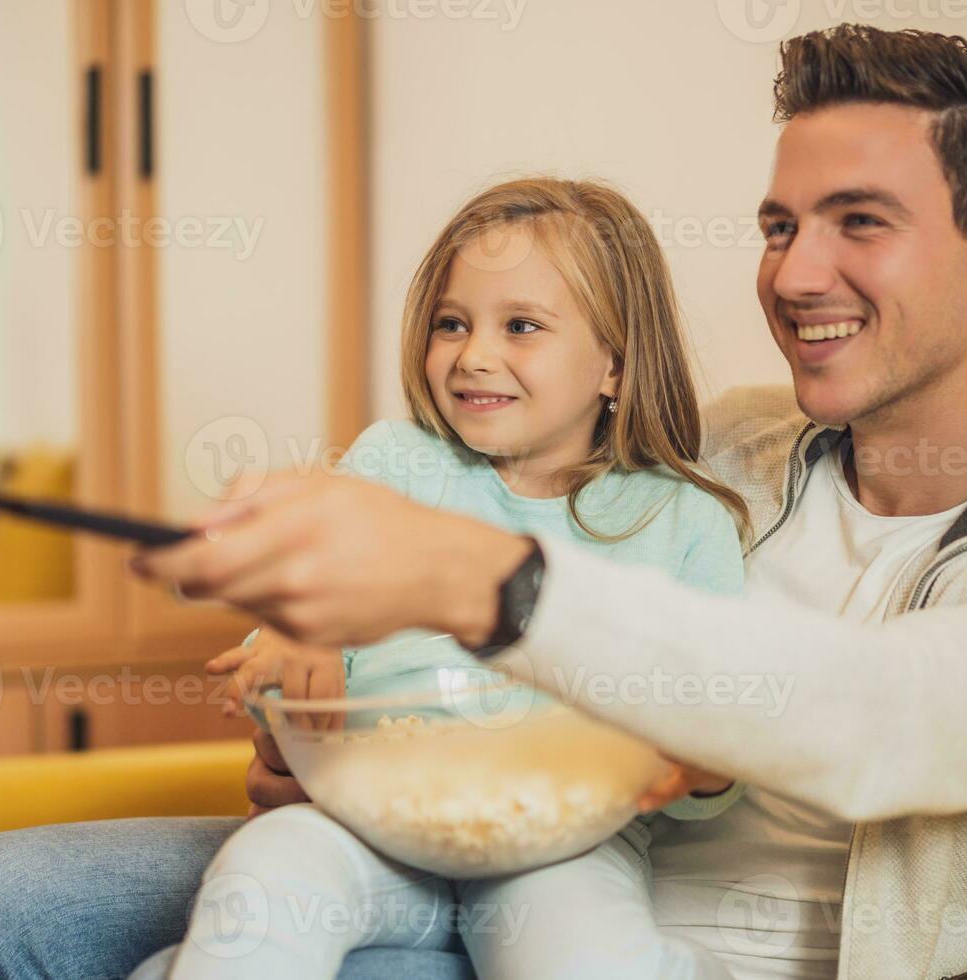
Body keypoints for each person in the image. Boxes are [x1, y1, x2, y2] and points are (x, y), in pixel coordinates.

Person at [0, 25, 967, 980]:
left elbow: (863, 719)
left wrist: (479, 584)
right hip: (409, 830)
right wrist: (321, 709)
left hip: (621, 918)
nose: (795, 273)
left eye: (858, 223)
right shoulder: (722, 447)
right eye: (776, 225)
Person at [161, 177, 750, 979]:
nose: (474, 355)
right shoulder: (390, 463)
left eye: (521, 326)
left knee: (586, 959)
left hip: (563, 854)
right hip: (367, 823)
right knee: (265, 876)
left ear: (614, 363)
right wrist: (290, 650)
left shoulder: (683, 522)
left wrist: (692, 753)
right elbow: (292, 627)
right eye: (452, 323)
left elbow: (718, 759)